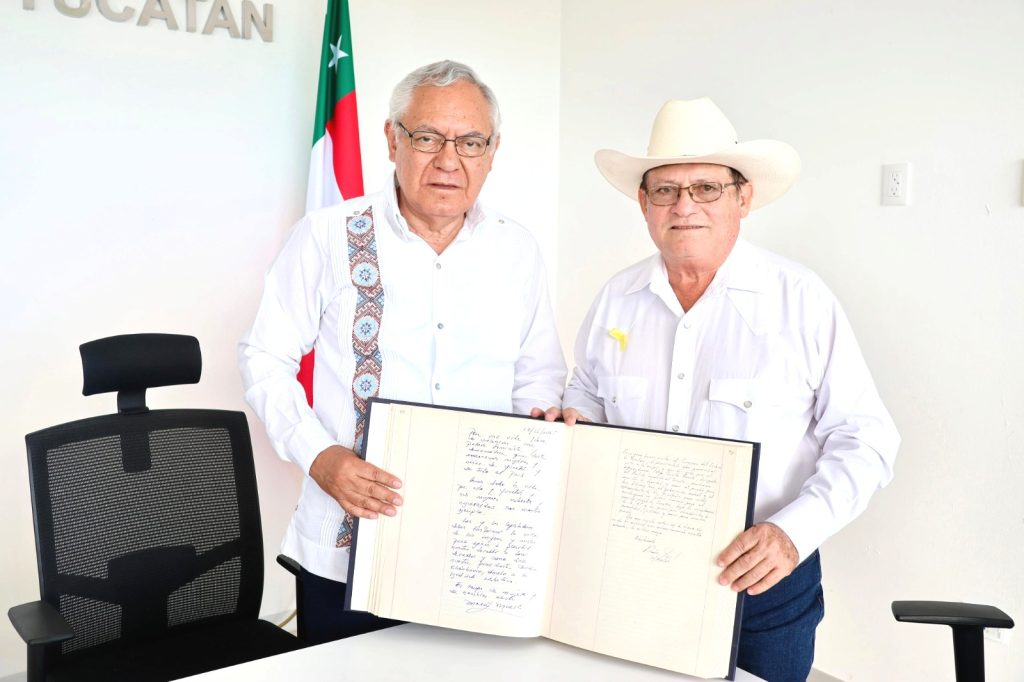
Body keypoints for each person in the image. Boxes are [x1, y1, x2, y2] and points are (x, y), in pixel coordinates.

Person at [561, 98, 899, 682]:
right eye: (665, 190)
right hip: (631, 575)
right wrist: (575, 423)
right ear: (643, 203)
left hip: (762, 585)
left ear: (743, 198)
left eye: (707, 188)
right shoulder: (616, 300)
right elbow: (587, 396)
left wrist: (792, 534)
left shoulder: (801, 300)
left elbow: (866, 439)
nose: (684, 205)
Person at [239, 60, 566, 644]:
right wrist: (320, 456)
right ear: (392, 139)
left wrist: (535, 447)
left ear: (492, 152)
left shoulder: (517, 250)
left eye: (470, 142)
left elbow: (537, 377)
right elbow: (265, 356)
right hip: (346, 545)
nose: (449, 160)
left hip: (478, 551)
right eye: (427, 137)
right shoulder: (327, 236)